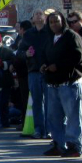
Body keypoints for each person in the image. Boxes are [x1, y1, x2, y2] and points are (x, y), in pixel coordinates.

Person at [41, 11, 82, 157]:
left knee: (72, 116)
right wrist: (43, 65)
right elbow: (44, 55)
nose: (54, 24)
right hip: (53, 84)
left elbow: (78, 56)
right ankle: (59, 145)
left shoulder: (71, 36)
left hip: (69, 83)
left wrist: (58, 66)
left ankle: (74, 146)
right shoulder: (49, 38)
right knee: (54, 117)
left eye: (57, 21)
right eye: (51, 22)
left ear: (63, 22)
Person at [17, 10, 53, 138]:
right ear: (32, 19)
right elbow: (19, 52)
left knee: (50, 102)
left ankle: (49, 130)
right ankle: (38, 129)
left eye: (40, 13)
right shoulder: (28, 35)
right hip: (33, 71)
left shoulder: (49, 32)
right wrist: (26, 54)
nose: (38, 15)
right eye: (36, 14)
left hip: (48, 71)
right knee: (36, 102)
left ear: (45, 17)